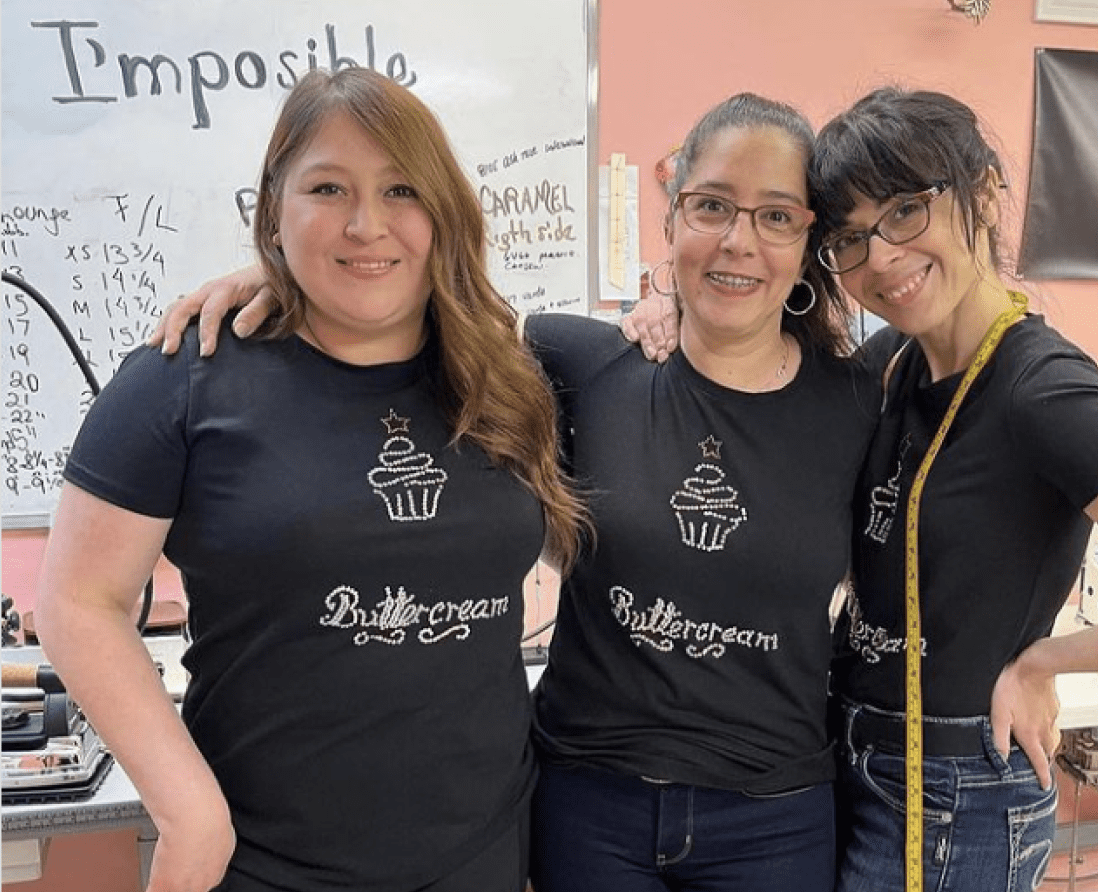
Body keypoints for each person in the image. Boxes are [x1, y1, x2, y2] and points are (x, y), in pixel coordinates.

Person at [148, 92, 882, 892]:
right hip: (589, 805)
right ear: (671, 219)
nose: (739, 240)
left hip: (773, 818)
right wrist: (282, 268)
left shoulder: (859, 404)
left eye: (776, 216)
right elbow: (413, 301)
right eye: (711, 207)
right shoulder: (579, 362)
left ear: (809, 237)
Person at [35, 67, 588, 892]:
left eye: (401, 188)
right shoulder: (185, 380)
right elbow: (78, 602)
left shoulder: (505, 379)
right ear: (272, 207)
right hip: (265, 864)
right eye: (327, 188)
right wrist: (191, 816)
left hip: (483, 855)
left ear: (442, 210)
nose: (367, 224)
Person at [627, 87, 1098, 892]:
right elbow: (758, 369)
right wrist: (667, 303)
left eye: (906, 211)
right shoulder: (891, 362)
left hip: (957, 794)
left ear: (986, 193)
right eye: (850, 237)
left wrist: (1045, 665)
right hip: (850, 756)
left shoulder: (1041, 389)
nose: (880, 258)